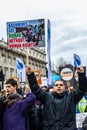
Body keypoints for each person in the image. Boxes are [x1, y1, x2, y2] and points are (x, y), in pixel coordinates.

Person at [26, 66, 87, 130]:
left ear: (64, 87)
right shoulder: (46, 97)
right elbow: (36, 89)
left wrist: (82, 74)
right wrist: (31, 75)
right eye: (56, 85)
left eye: (61, 85)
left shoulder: (71, 97)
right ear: (53, 88)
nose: (59, 86)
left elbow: (82, 89)